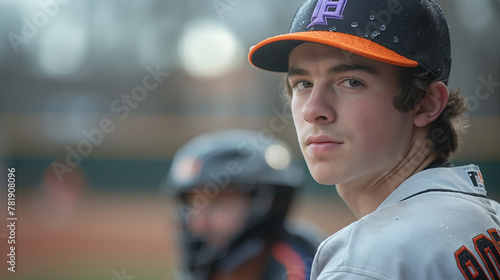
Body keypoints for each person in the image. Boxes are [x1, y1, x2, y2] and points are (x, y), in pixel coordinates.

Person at [248, 0, 500, 279]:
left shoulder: (366, 264)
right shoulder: (489, 218)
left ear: (426, 103)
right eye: (303, 84)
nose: (312, 111)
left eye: (351, 81)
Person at [162, 129, 323, 280]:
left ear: (270, 204)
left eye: (218, 204)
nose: (198, 223)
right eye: (192, 205)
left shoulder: (310, 269)